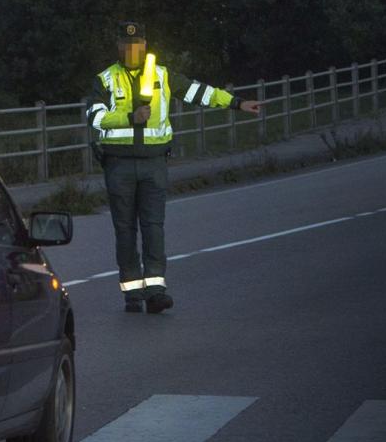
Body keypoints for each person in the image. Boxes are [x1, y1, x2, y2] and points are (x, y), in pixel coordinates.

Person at [86, 22, 262, 314]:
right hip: (118, 165)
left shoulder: (162, 74)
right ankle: (132, 292)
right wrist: (131, 118)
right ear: (118, 46)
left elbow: (200, 93)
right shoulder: (105, 79)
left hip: (154, 162)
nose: (132, 49)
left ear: (144, 45)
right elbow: (95, 117)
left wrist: (237, 103)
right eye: (126, 44)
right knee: (125, 230)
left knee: (153, 227)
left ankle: (156, 290)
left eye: (137, 43)